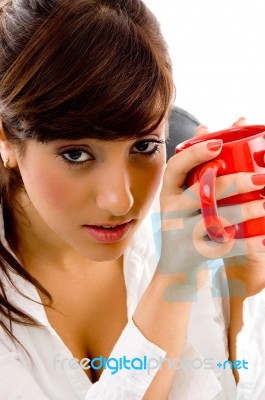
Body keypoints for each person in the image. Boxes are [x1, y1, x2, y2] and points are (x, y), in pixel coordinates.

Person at [0, 1, 264, 399]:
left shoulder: (187, 219)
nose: (120, 201)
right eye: (76, 154)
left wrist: (242, 292)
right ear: (5, 139)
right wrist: (174, 277)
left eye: (144, 146)